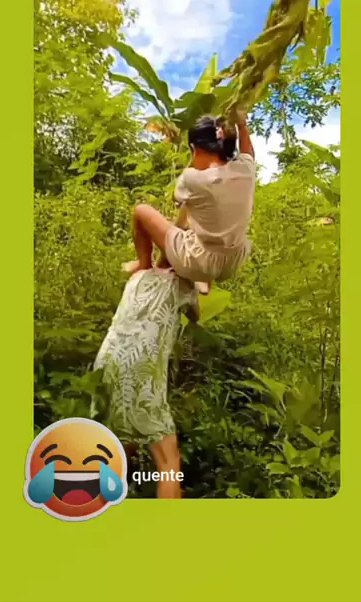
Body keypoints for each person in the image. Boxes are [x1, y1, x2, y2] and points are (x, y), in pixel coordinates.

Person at [91, 267, 199, 499]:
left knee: (116, 446)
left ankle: (97, 508)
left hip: (107, 362)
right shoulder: (183, 286)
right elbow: (196, 314)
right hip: (140, 368)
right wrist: (200, 280)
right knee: (168, 459)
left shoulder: (138, 275)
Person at [123, 110, 256, 288]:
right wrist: (242, 125)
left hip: (199, 262)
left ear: (195, 149)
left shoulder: (193, 178)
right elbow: (248, 152)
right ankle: (203, 282)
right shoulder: (246, 170)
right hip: (233, 261)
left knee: (141, 211)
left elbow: (175, 198)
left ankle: (144, 265)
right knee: (200, 219)